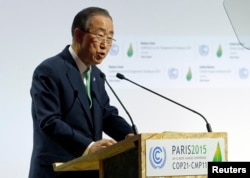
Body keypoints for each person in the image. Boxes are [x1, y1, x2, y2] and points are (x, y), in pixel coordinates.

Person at [28, 7, 134, 178]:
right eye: (99, 35)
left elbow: (106, 114)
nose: (105, 44)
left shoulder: (96, 76)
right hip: (57, 171)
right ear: (78, 35)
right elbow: (50, 121)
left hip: (89, 171)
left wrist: (129, 136)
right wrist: (89, 146)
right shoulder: (49, 70)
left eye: (109, 37)